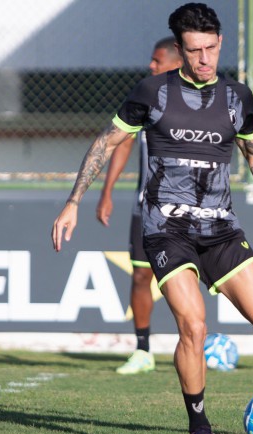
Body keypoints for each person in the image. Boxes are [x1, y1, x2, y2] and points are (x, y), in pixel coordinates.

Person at [53, 2, 253, 434]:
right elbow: (106, 142)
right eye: (194, 51)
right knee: (193, 326)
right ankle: (199, 424)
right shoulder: (152, 92)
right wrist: (74, 201)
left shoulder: (237, 97)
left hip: (222, 231)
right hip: (166, 230)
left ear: (220, 43)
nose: (204, 59)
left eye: (211, 49)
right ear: (180, 49)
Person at [96, 37, 184, 375]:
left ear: (176, 62)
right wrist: (107, 191)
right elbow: (122, 141)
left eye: (157, 60)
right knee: (141, 275)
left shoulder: (201, 99)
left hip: (189, 209)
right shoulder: (146, 95)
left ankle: (193, 343)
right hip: (147, 206)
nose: (151, 65)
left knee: (189, 278)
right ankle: (143, 350)